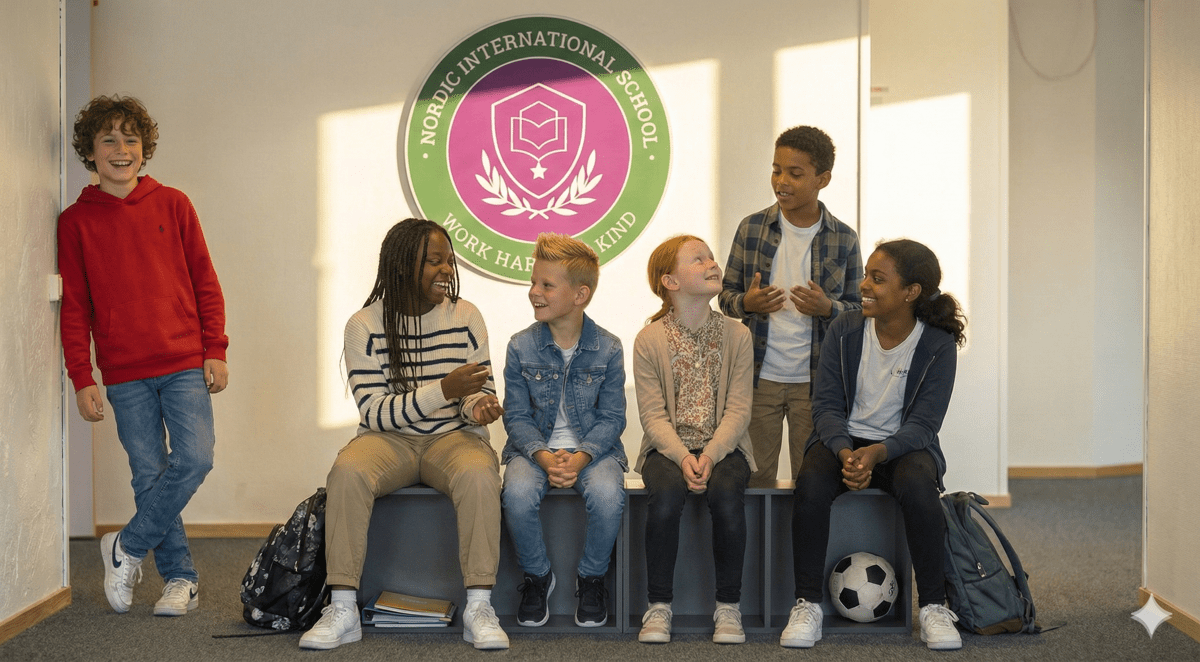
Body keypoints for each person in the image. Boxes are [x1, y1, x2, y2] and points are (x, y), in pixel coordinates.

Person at [299, 219, 508, 651]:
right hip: (388, 439)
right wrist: (443, 390)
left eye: (449, 261)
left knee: (479, 475)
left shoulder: (466, 316)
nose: (446, 270)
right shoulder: (364, 325)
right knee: (347, 472)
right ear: (401, 266)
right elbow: (375, 412)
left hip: (454, 437)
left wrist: (478, 406)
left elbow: (478, 390)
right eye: (434, 261)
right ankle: (342, 608)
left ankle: (479, 607)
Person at [58, 95, 229, 617]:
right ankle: (180, 579)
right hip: (124, 373)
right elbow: (75, 306)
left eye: (130, 139)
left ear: (144, 147)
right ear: (90, 150)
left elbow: (205, 281)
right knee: (148, 474)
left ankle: (126, 545)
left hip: (183, 362)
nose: (121, 149)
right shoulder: (75, 222)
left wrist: (215, 347)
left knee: (195, 459)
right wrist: (81, 376)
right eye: (108, 139)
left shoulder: (173, 204)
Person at [782, 239, 968, 651]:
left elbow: (924, 425)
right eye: (866, 275)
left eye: (877, 279)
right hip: (843, 442)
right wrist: (845, 451)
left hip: (901, 448)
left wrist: (878, 453)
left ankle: (934, 607)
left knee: (920, 488)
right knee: (810, 483)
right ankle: (807, 604)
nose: (864, 285)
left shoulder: (937, 344)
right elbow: (826, 405)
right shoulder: (844, 329)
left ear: (911, 292)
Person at [718, 126, 862, 488]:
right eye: (776, 170)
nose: (781, 181)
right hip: (758, 378)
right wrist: (746, 303)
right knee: (755, 480)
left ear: (822, 179)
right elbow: (725, 297)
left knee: (811, 482)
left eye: (795, 174)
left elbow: (860, 312)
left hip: (817, 382)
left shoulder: (844, 238)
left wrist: (827, 308)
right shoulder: (751, 228)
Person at [633, 235, 755, 645]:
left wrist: (712, 454)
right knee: (666, 498)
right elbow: (653, 416)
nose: (711, 264)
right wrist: (684, 457)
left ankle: (729, 607)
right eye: (698, 260)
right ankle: (658, 605)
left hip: (726, 448)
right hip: (668, 450)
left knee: (727, 495)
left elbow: (739, 409)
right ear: (670, 281)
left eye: (711, 258)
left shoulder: (738, 335)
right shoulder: (649, 339)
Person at [501, 233, 627, 629]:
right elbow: (516, 416)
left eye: (547, 285)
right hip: (533, 450)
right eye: (533, 282)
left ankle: (592, 578)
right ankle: (537, 576)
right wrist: (542, 455)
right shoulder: (520, 346)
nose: (534, 292)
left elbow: (612, 418)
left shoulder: (609, 348)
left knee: (608, 495)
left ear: (580, 294)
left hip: (594, 451)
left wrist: (581, 456)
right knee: (516, 494)